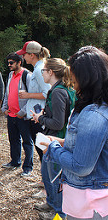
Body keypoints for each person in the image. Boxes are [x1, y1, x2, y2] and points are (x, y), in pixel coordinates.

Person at [42, 46, 108, 220]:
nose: (72, 80)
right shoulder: (97, 107)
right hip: (89, 199)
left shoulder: (94, 113)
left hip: (90, 203)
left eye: (74, 77)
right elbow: (94, 147)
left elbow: (81, 166)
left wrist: (53, 147)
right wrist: (64, 142)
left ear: (87, 78)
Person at [31, 58, 76, 219]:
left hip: (57, 140)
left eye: (43, 70)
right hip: (53, 139)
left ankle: (58, 211)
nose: (41, 73)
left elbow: (58, 123)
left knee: (55, 177)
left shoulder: (58, 92)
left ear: (51, 72)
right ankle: (51, 203)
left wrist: (40, 118)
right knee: (46, 172)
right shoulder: (59, 89)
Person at [16, 41, 51, 164]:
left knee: (42, 148)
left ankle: (47, 179)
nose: (23, 57)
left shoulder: (39, 70)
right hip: (35, 114)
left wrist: (27, 95)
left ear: (32, 55)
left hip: (39, 115)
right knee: (40, 147)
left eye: (24, 54)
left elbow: (47, 93)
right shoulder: (38, 68)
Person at [1, 52, 34, 176]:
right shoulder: (10, 75)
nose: (9, 65)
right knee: (13, 139)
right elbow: (7, 93)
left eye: (11, 63)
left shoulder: (27, 76)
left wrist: (23, 112)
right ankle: (15, 161)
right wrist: (4, 109)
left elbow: (32, 97)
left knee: (27, 141)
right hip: (11, 115)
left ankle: (28, 167)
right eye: (8, 63)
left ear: (19, 62)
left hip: (22, 116)